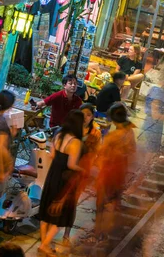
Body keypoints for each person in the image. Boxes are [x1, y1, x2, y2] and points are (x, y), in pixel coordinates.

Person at [38, 110, 84, 256]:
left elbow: (51, 155)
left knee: (46, 212)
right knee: (58, 215)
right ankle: (45, 245)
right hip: (63, 180)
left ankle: (44, 242)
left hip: (52, 176)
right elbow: (71, 165)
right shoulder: (75, 142)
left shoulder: (58, 133)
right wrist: (84, 169)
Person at [94, 103, 136, 242]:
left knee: (101, 204)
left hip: (107, 172)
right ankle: (106, 234)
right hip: (121, 172)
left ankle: (98, 233)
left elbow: (101, 154)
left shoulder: (112, 136)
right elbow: (132, 151)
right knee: (113, 201)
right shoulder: (130, 132)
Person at [63, 104, 101, 243]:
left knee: (72, 203)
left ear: (92, 117)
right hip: (65, 168)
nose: (85, 117)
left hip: (80, 171)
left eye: (89, 115)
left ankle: (66, 234)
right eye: (83, 114)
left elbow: (96, 153)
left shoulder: (95, 133)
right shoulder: (71, 128)